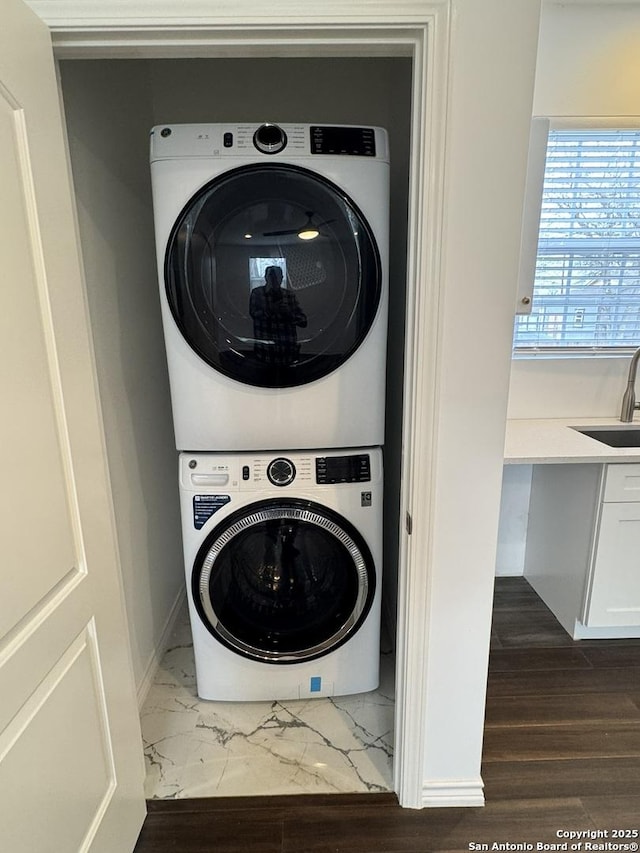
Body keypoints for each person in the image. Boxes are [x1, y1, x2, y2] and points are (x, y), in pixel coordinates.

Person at [249, 265, 307, 365]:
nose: (274, 280)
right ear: (265, 277)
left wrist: (289, 313)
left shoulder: (289, 295)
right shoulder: (257, 293)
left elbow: (303, 321)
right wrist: (271, 310)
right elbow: (254, 314)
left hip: (287, 351)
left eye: (277, 277)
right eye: (271, 277)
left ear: (282, 278)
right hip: (265, 351)